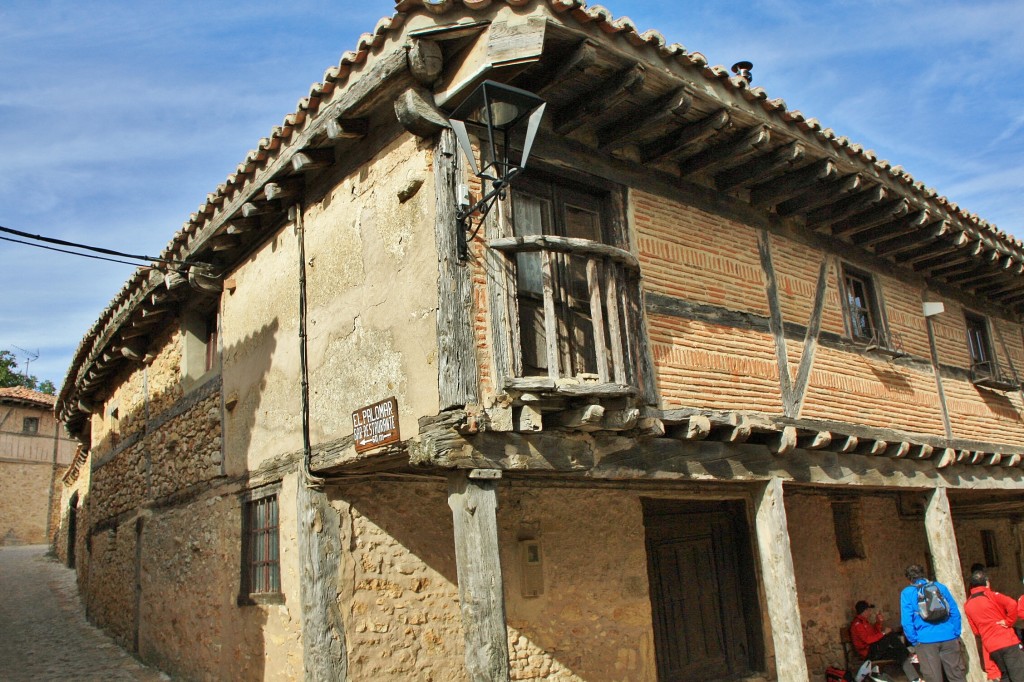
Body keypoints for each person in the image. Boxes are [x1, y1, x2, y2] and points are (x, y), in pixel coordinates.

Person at [900, 563, 967, 682]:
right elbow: (954, 612)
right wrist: (955, 632)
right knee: (957, 675)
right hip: (949, 636)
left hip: (925, 641)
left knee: (933, 678)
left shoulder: (908, 593)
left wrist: (914, 641)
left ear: (908, 578)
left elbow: (907, 622)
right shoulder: (940, 587)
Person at [964, 569, 1024, 681]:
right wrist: (1008, 621)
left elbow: (976, 631)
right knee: (1018, 674)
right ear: (986, 583)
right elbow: (1012, 604)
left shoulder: (968, 604)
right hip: (1007, 641)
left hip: (991, 646)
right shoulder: (990, 595)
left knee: (1005, 675)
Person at [850, 599, 922, 681]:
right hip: (869, 653)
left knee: (899, 653)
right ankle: (909, 654)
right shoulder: (857, 624)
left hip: (875, 650)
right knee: (889, 635)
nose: (870, 612)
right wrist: (883, 633)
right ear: (865, 611)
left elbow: (875, 634)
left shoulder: (865, 622)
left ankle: (915, 679)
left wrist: (878, 623)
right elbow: (868, 640)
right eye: (869, 610)